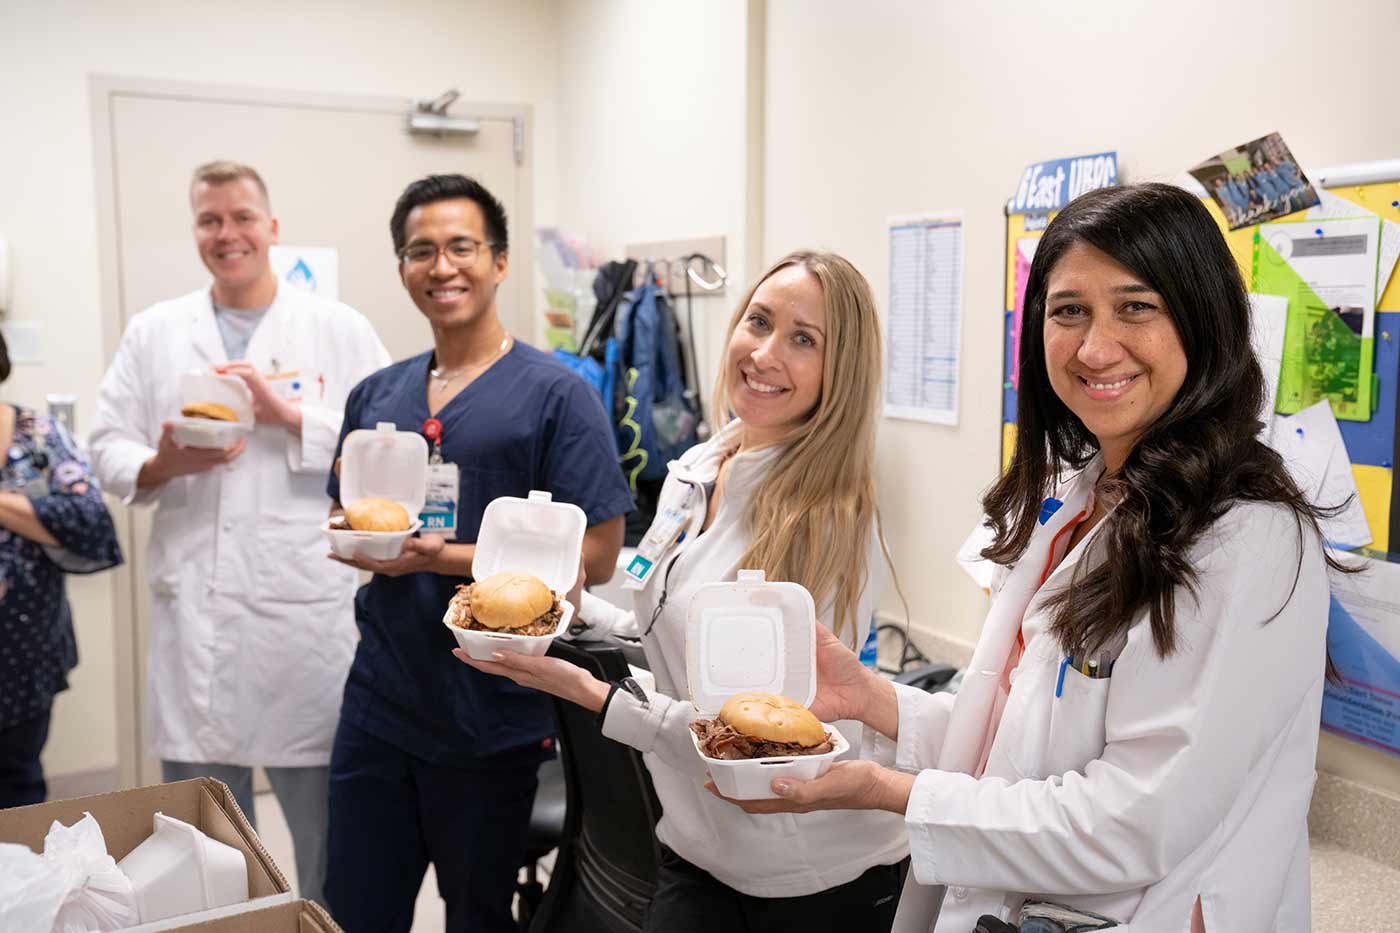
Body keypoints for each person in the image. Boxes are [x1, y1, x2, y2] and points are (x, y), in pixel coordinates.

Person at [707, 185, 1343, 933]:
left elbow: (1133, 822)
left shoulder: (1247, 536)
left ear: (1203, 320)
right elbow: (1015, 744)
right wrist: (870, 697)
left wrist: (889, 790)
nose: (1094, 347)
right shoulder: (1076, 501)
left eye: (1135, 306)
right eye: (1068, 310)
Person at [458, 251, 912, 933]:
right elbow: (679, 644)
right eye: (758, 321)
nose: (763, 353)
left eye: (803, 339)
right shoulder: (701, 469)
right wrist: (577, 613)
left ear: (839, 373)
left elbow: (750, 737)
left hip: (811, 876)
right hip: (698, 848)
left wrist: (593, 695)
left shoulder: (829, 522)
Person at [321, 174, 631, 933]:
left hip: (492, 711)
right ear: (402, 269)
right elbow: (347, 511)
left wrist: (441, 558)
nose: (441, 265)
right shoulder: (377, 394)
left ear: (498, 262)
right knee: (355, 909)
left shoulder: (557, 396)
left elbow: (597, 554)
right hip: (380, 699)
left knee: (478, 917)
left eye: (462, 246)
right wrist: (361, 540)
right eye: (420, 250)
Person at [89, 161, 390, 904]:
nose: (228, 234)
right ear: (196, 230)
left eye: (243, 217)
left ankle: (309, 922)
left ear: (273, 228)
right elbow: (105, 445)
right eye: (210, 220)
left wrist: (291, 419)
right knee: (206, 835)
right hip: (198, 615)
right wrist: (165, 460)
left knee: (321, 834)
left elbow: (386, 446)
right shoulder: (156, 332)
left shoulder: (337, 329)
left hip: (301, 620)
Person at [0, 334, 123, 808]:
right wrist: (32, 514)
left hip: (23, 661)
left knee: (17, 794)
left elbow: (93, 526)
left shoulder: (39, 437)